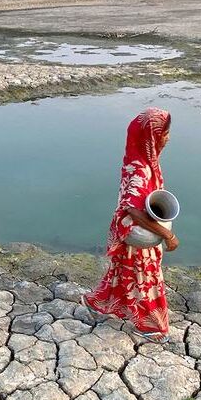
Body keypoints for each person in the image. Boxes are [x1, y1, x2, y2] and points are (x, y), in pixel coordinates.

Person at [82, 107, 178, 343]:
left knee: (122, 273)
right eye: (164, 133)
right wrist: (167, 235)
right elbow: (133, 211)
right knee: (146, 279)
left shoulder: (144, 159)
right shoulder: (140, 169)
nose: (168, 137)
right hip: (137, 235)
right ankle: (151, 326)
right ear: (151, 135)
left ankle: (98, 302)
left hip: (136, 232)